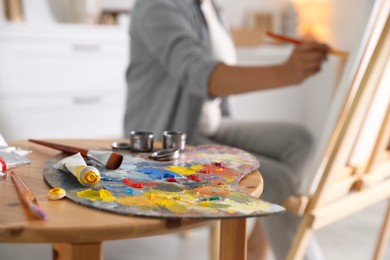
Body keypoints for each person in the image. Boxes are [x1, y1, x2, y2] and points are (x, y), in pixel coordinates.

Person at [124, 0, 330, 259]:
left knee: (299, 142)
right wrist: (285, 72)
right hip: (165, 138)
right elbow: (198, 72)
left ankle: (258, 247)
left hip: (209, 124)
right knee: (276, 179)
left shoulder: (208, 6)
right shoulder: (156, 6)